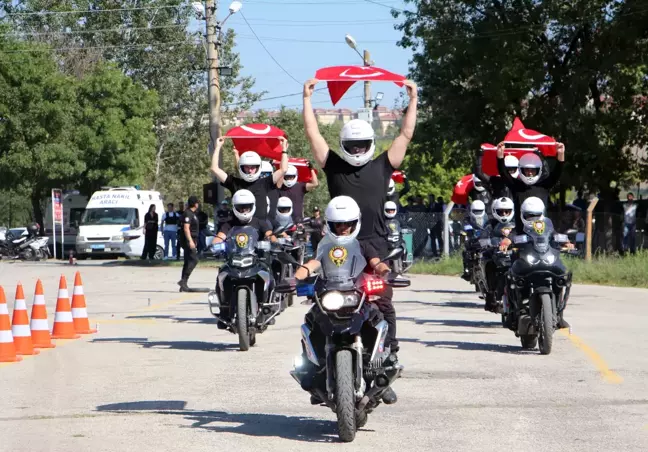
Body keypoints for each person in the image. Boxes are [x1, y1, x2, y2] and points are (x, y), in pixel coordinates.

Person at [303, 76, 418, 405]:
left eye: (360, 145)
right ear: (343, 146)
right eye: (351, 146)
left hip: (377, 250)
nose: (355, 151)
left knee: (382, 308)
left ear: (370, 144)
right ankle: (320, 368)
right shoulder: (334, 167)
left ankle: (386, 362)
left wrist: (413, 98)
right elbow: (313, 134)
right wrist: (308, 100)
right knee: (321, 307)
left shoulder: (383, 165)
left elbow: (406, 133)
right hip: (338, 248)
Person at [294, 196, 395, 405]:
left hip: (357, 295)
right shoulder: (325, 245)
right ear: (330, 224)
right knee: (310, 321)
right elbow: (314, 262)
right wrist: (299, 274)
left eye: (348, 224)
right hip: (331, 295)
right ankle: (311, 369)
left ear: (355, 223)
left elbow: (376, 262)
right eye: (338, 224)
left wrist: (384, 272)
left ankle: (385, 364)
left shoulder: (362, 244)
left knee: (379, 316)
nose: (343, 228)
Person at [498, 197, 573, 328]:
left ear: (542, 214)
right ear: (522, 214)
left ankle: (559, 315)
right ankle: (512, 312)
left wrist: (566, 243)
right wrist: (506, 241)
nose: (533, 219)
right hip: (526, 262)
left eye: (536, 215)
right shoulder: (519, 228)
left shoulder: (547, 226)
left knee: (561, 277)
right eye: (529, 215)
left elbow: (555, 235)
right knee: (510, 277)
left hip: (546, 260)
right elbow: (511, 236)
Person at [210, 136, 289, 222]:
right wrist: (218, 147)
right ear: (241, 168)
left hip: (261, 230)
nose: (250, 170)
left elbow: (283, 169)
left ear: (258, 167)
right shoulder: (234, 183)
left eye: (253, 167)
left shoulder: (265, 182)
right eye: (247, 167)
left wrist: (284, 149)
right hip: (238, 229)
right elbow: (215, 169)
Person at [497, 142, 565, 233]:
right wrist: (500, 156)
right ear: (521, 170)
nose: (529, 173)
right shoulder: (517, 186)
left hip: (543, 236)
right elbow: (504, 174)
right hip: (521, 237)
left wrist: (560, 154)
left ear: (538, 170)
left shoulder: (544, 186)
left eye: (532, 170)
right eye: (527, 170)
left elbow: (556, 174)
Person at [461, 200, 488, 282]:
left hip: (485, 240)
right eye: (475, 211)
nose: (477, 213)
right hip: (473, 240)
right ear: (471, 210)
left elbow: (490, 228)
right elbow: (464, 229)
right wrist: (467, 233)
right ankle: (467, 270)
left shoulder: (487, 218)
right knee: (466, 253)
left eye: (479, 211)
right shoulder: (467, 219)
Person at [178, 196, 200, 292]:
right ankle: (183, 281)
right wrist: (190, 241)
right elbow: (186, 228)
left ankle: (183, 285)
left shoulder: (192, 214)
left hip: (192, 239)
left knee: (187, 261)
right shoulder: (188, 213)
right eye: (197, 203)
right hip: (188, 240)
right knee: (194, 260)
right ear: (195, 204)